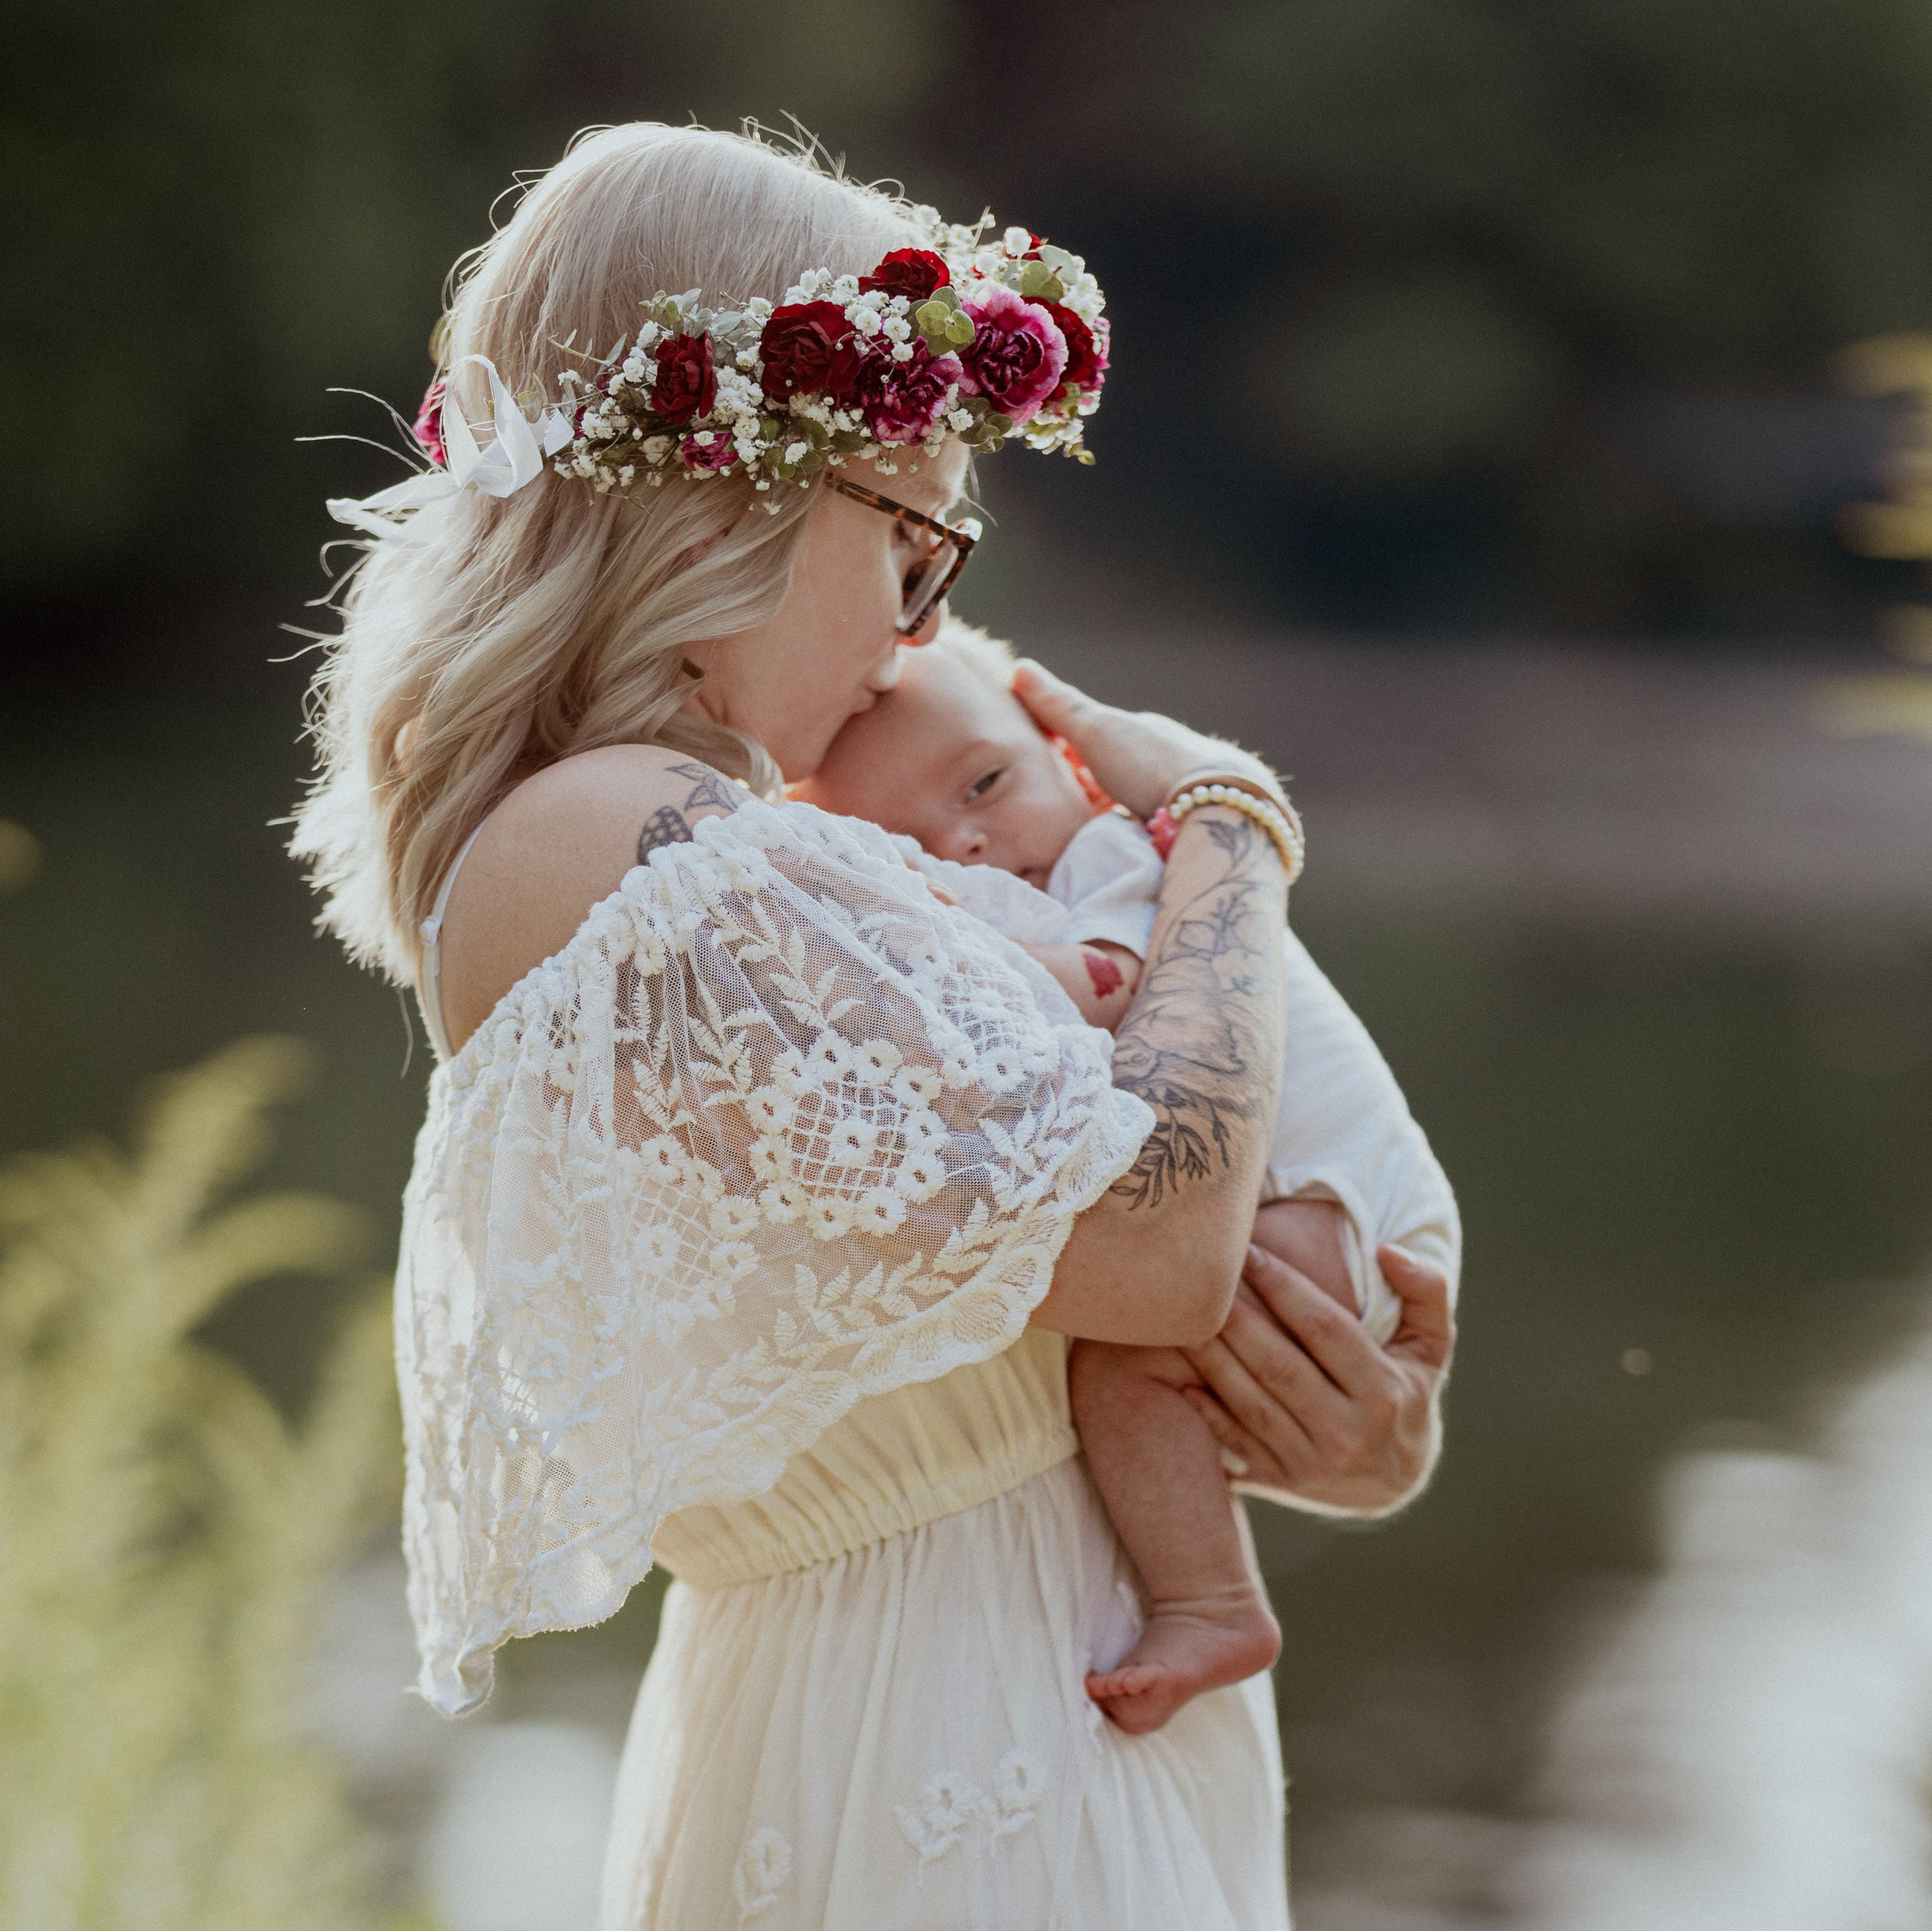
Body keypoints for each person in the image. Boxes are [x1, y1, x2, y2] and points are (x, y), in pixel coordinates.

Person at [291, 121, 1457, 1930]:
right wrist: (1226, 831)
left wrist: (1341, 1426)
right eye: (913, 542)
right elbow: (1150, 1243)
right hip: (939, 1759)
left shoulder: (735, 839)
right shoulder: (614, 841)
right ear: (729, 496)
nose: (929, 621)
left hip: (1017, 1713)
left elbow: (1062, 1308)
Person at [795, 620, 1460, 1731]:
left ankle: (1213, 1599)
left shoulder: (1111, 866)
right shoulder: (1085, 867)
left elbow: (1110, 989)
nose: (964, 845)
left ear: (1071, 756)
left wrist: (980, 955)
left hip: (1328, 1209)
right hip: (1338, 1207)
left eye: (987, 782)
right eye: (907, 849)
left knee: (1128, 1360)